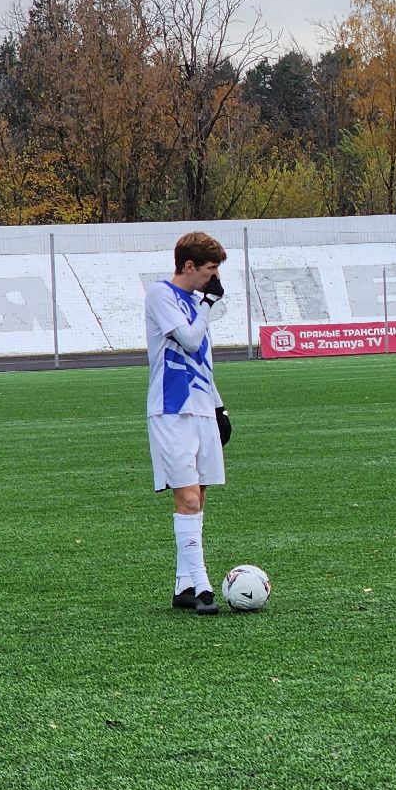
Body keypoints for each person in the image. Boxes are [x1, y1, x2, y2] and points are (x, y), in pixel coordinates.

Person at [147, 232, 228, 615]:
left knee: (201, 496)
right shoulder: (161, 295)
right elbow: (190, 341)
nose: (213, 278)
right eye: (210, 270)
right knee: (189, 498)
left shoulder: (196, 301)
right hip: (171, 409)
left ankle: (184, 585)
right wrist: (207, 304)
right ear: (189, 266)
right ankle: (205, 586)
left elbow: (203, 362)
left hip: (201, 410)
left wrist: (219, 407)